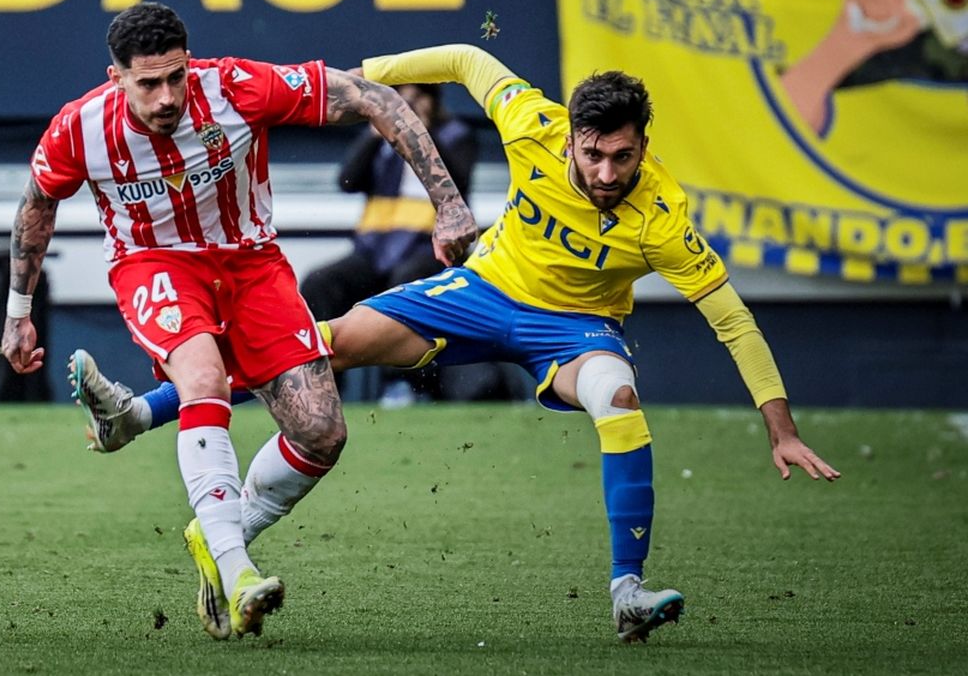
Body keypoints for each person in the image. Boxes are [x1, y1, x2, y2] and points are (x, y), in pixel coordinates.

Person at [70, 42, 841, 643]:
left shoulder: (663, 218)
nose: (606, 172)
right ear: (571, 135)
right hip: (478, 294)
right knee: (317, 349)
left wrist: (781, 428)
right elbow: (469, 61)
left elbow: (732, 317)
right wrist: (363, 76)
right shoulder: (532, 123)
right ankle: (143, 417)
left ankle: (626, 594)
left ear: (644, 147)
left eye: (623, 157)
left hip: (572, 332)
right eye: (594, 153)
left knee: (618, 397)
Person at [0, 2, 478, 641]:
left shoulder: (234, 88)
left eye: (176, 77)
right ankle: (238, 570)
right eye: (148, 84)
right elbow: (37, 208)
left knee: (322, 434)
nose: (167, 97)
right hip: (154, 265)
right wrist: (18, 312)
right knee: (201, 379)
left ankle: (216, 528)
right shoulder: (78, 130)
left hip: (253, 265)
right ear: (114, 77)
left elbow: (373, 98)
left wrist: (447, 205)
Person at [299, 83, 481, 406]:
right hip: (375, 252)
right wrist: (374, 132)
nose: (406, 106)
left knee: (405, 285)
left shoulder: (456, 135)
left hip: (427, 249)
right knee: (320, 282)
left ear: (433, 101)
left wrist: (419, 134)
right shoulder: (380, 138)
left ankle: (402, 385)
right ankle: (323, 386)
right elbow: (346, 181)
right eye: (399, 99)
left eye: (416, 98)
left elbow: (461, 179)